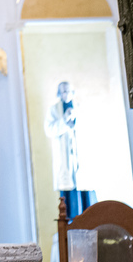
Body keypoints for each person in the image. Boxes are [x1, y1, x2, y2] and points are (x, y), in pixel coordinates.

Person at [43, 82, 94, 219]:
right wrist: (64, 121)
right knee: (69, 197)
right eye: (63, 92)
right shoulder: (54, 110)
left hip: (79, 156)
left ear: (73, 92)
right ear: (59, 94)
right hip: (64, 159)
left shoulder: (79, 107)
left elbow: (87, 126)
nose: (66, 94)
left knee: (85, 194)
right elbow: (49, 129)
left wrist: (75, 120)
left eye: (68, 91)